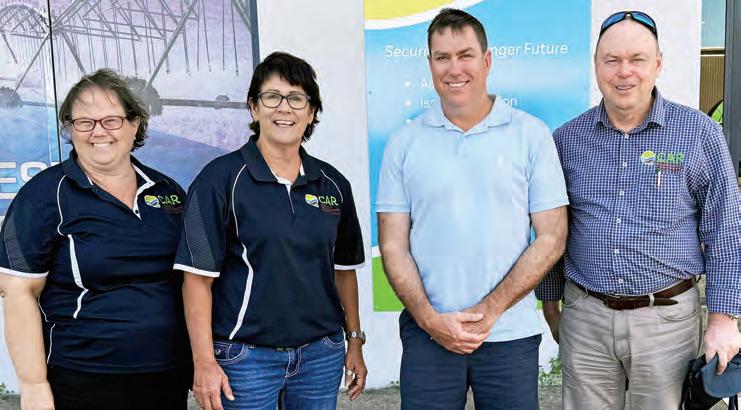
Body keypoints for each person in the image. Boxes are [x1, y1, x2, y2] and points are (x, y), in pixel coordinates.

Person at [536, 11, 741, 409]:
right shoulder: (566, 140)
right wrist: (550, 304)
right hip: (586, 319)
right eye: (612, 60)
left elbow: (726, 231)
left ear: (658, 63)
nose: (624, 72)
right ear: (596, 65)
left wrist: (723, 318)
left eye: (637, 59)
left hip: (667, 322)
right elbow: (553, 230)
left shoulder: (699, 134)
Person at [376, 8, 568, 409]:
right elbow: (393, 245)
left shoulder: (531, 135)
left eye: (465, 55)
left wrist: (489, 311)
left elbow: (552, 236)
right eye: (442, 57)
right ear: (430, 63)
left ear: (487, 60)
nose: (454, 68)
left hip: (509, 335)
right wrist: (430, 320)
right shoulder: (404, 142)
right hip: (428, 336)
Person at [175, 51, 367, 410]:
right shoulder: (219, 179)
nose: (284, 108)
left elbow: (343, 271)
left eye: (296, 98)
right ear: (254, 108)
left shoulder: (333, 183)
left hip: (321, 355)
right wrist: (203, 362)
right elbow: (197, 280)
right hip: (245, 359)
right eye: (272, 97)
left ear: (311, 112)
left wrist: (353, 340)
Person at [0, 69, 191, 409]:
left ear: (134, 125)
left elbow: (193, 282)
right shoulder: (42, 196)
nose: (98, 131)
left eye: (111, 120)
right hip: (85, 377)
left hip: (167, 372)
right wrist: (33, 385)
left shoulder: (168, 191)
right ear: (70, 129)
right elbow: (17, 292)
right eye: (84, 122)